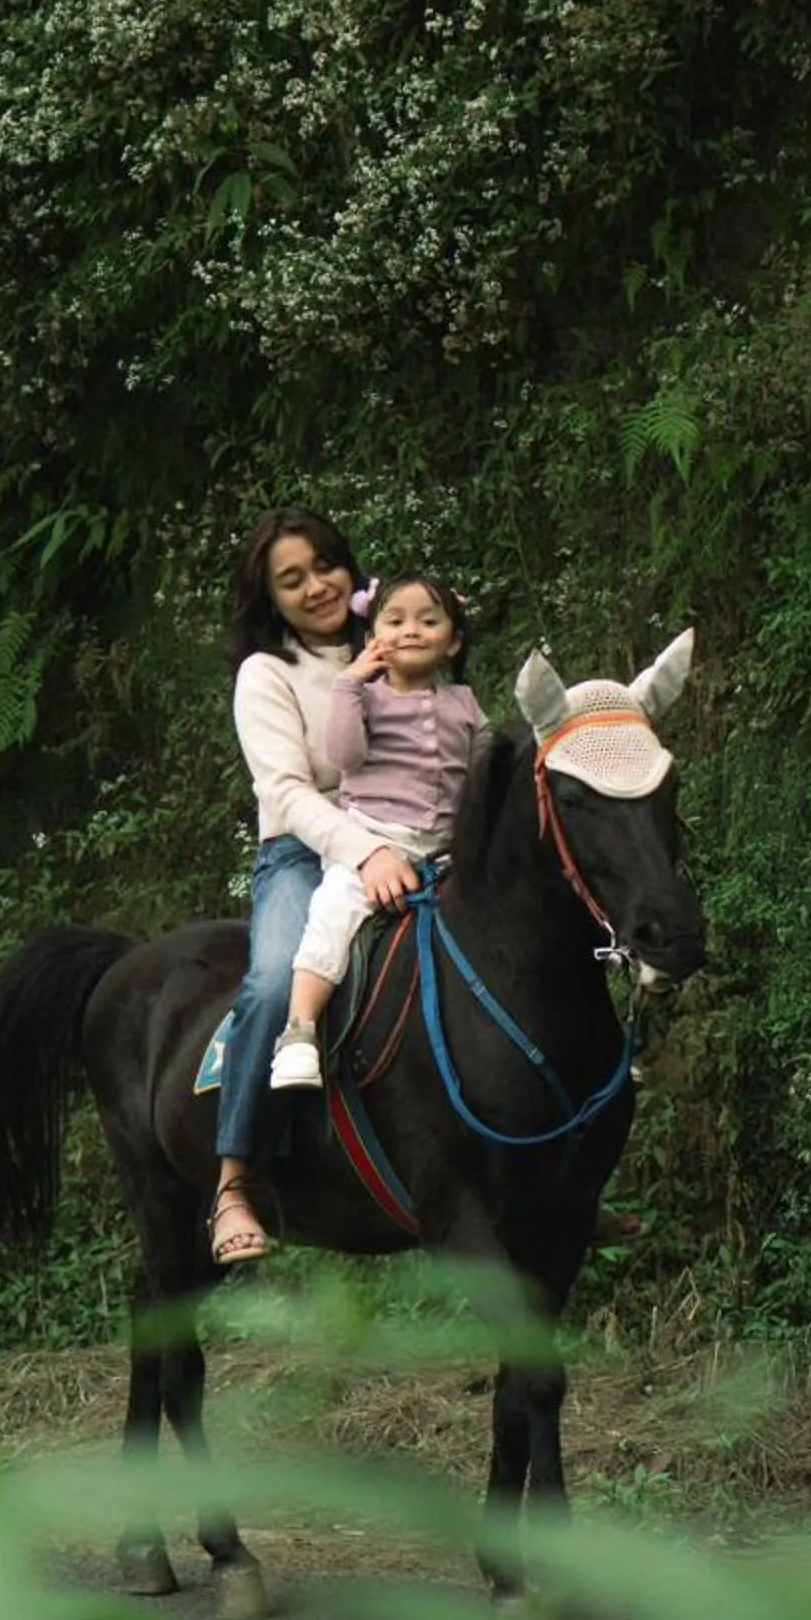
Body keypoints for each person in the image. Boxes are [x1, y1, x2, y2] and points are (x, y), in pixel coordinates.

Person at [210, 507, 416, 1265]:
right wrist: (364, 854)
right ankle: (235, 1180)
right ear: (269, 599)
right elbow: (289, 792)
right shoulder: (266, 675)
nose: (316, 587)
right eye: (290, 580)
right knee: (270, 984)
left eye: (324, 566)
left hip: (413, 837)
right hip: (305, 852)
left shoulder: (393, 641)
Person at [269, 573, 490, 1091]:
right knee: (333, 914)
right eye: (395, 620)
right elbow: (344, 757)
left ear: (453, 640)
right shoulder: (364, 697)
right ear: (373, 637)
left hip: (445, 847)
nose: (411, 630)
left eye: (428, 620)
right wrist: (350, 683)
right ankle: (299, 1029)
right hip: (374, 839)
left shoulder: (463, 701)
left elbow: (483, 768)